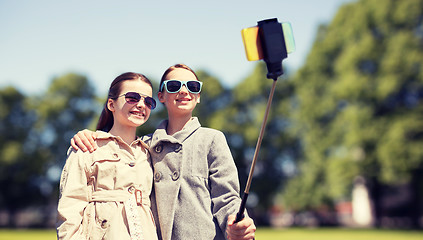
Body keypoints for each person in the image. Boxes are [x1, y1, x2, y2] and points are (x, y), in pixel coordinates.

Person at [71, 64, 256, 240]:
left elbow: (227, 197)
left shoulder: (212, 139)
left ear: (198, 96)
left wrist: (236, 222)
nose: (184, 91)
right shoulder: (143, 146)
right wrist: (90, 136)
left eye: (192, 86)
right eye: (174, 86)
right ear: (161, 96)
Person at [57, 72, 158, 240]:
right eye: (132, 97)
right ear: (111, 104)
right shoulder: (87, 147)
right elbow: (70, 208)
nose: (141, 105)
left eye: (148, 101)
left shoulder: (151, 152)